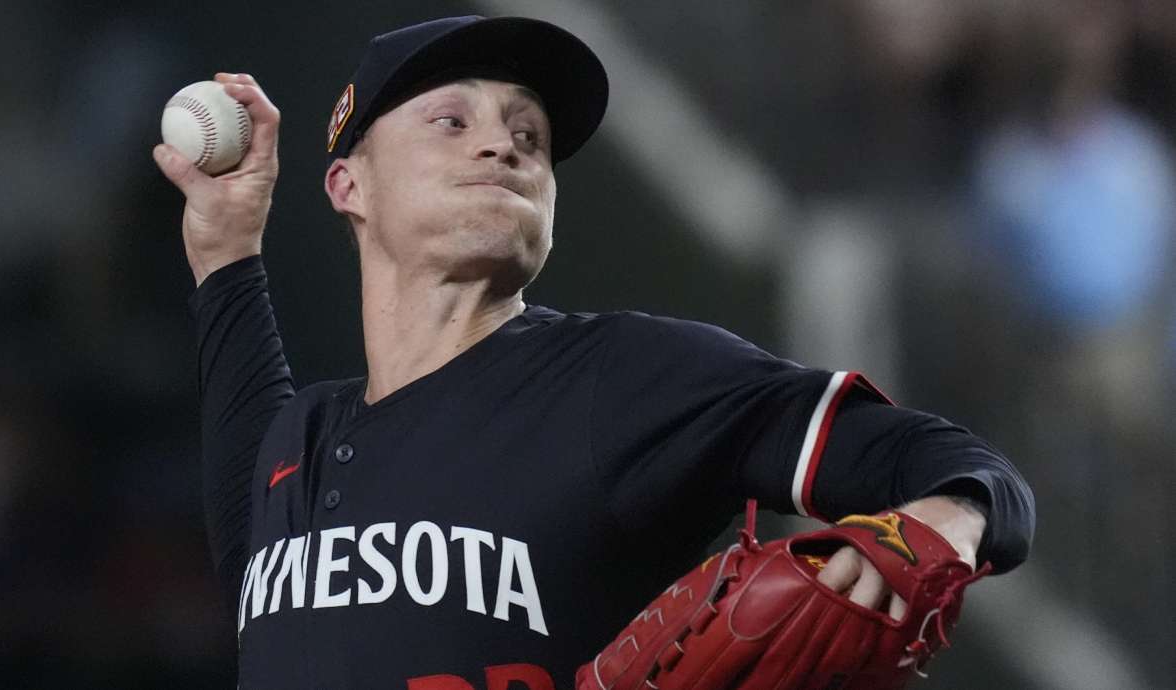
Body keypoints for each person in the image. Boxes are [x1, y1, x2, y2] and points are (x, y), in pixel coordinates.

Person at [153, 15, 1034, 690]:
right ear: (351, 184)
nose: (503, 143)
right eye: (451, 122)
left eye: (529, 135)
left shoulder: (626, 377)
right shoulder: (292, 446)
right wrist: (225, 246)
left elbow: (964, 471)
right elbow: (238, 388)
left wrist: (954, 517)